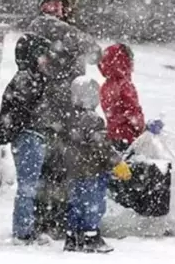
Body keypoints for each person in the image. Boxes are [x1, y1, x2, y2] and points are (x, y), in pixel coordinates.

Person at [27, 0, 102, 239]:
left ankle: (55, 218)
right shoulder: (44, 25)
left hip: (63, 112)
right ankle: (46, 220)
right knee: (51, 166)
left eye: (62, 3)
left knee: (60, 167)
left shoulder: (60, 29)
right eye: (52, 2)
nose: (57, 7)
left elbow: (91, 52)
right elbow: (91, 47)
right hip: (50, 112)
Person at [63, 76, 132, 253]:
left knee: (75, 204)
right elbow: (102, 146)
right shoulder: (93, 119)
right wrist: (117, 162)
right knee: (93, 205)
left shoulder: (69, 116)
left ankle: (72, 237)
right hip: (92, 171)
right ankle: (91, 237)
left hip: (73, 172)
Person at [0, 34, 51, 244]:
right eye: (43, 55)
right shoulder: (27, 79)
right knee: (28, 186)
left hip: (31, 135)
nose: (46, 60)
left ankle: (28, 226)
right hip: (28, 136)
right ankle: (23, 230)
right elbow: (23, 110)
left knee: (31, 185)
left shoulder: (32, 78)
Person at [98, 43, 146, 152]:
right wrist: (142, 127)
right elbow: (132, 112)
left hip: (113, 135)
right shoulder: (124, 85)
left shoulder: (106, 86)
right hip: (128, 137)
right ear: (124, 61)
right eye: (130, 59)